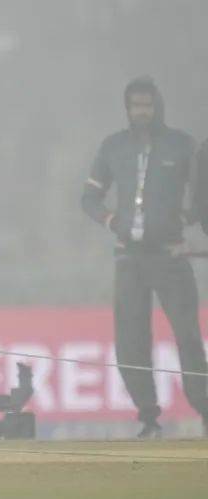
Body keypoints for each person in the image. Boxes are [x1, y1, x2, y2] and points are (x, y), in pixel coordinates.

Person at [81, 76, 208, 438]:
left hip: (170, 255)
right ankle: (148, 416)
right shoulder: (113, 147)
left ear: (158, 106)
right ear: (128, 108)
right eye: (136, 106)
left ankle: (205, 410)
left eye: (147, 105)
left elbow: (202, 194)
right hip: (129, 258)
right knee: (130, 340)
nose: (142, 112)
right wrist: (111, 220)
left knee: (188, 337)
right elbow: (89, 198)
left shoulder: (182, 145)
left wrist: (187, 218)